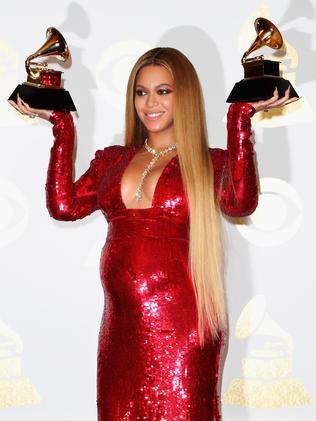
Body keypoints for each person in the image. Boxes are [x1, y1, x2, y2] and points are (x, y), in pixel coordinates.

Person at [9, 47, 298, 420]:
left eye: (164, 91)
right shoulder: (113, 160)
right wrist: (62, 126)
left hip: (183, 332)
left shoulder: (209, 162)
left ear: (186, 96)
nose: (150, 103)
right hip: (120, 330)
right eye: (141, 92)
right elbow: (64, 206)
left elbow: (241, 204)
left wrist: (240, 118)